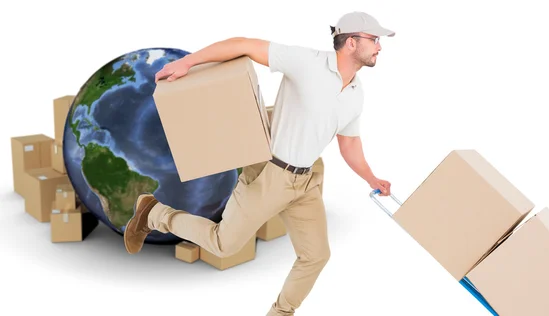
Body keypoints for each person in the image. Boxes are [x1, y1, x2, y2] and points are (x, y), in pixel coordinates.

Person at [123, 11, 394, 316]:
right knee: (224, 244)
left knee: (316, 255)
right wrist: (188, 62)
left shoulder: (356, 93)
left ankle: (280, 313)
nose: (380, 46)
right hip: (271, 174)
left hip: (307, 181)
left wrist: (372, 178)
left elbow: (350, 144)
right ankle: (155, 213)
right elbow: (244, 44)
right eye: (374, 39)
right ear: (352, 42)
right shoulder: (308, 63)